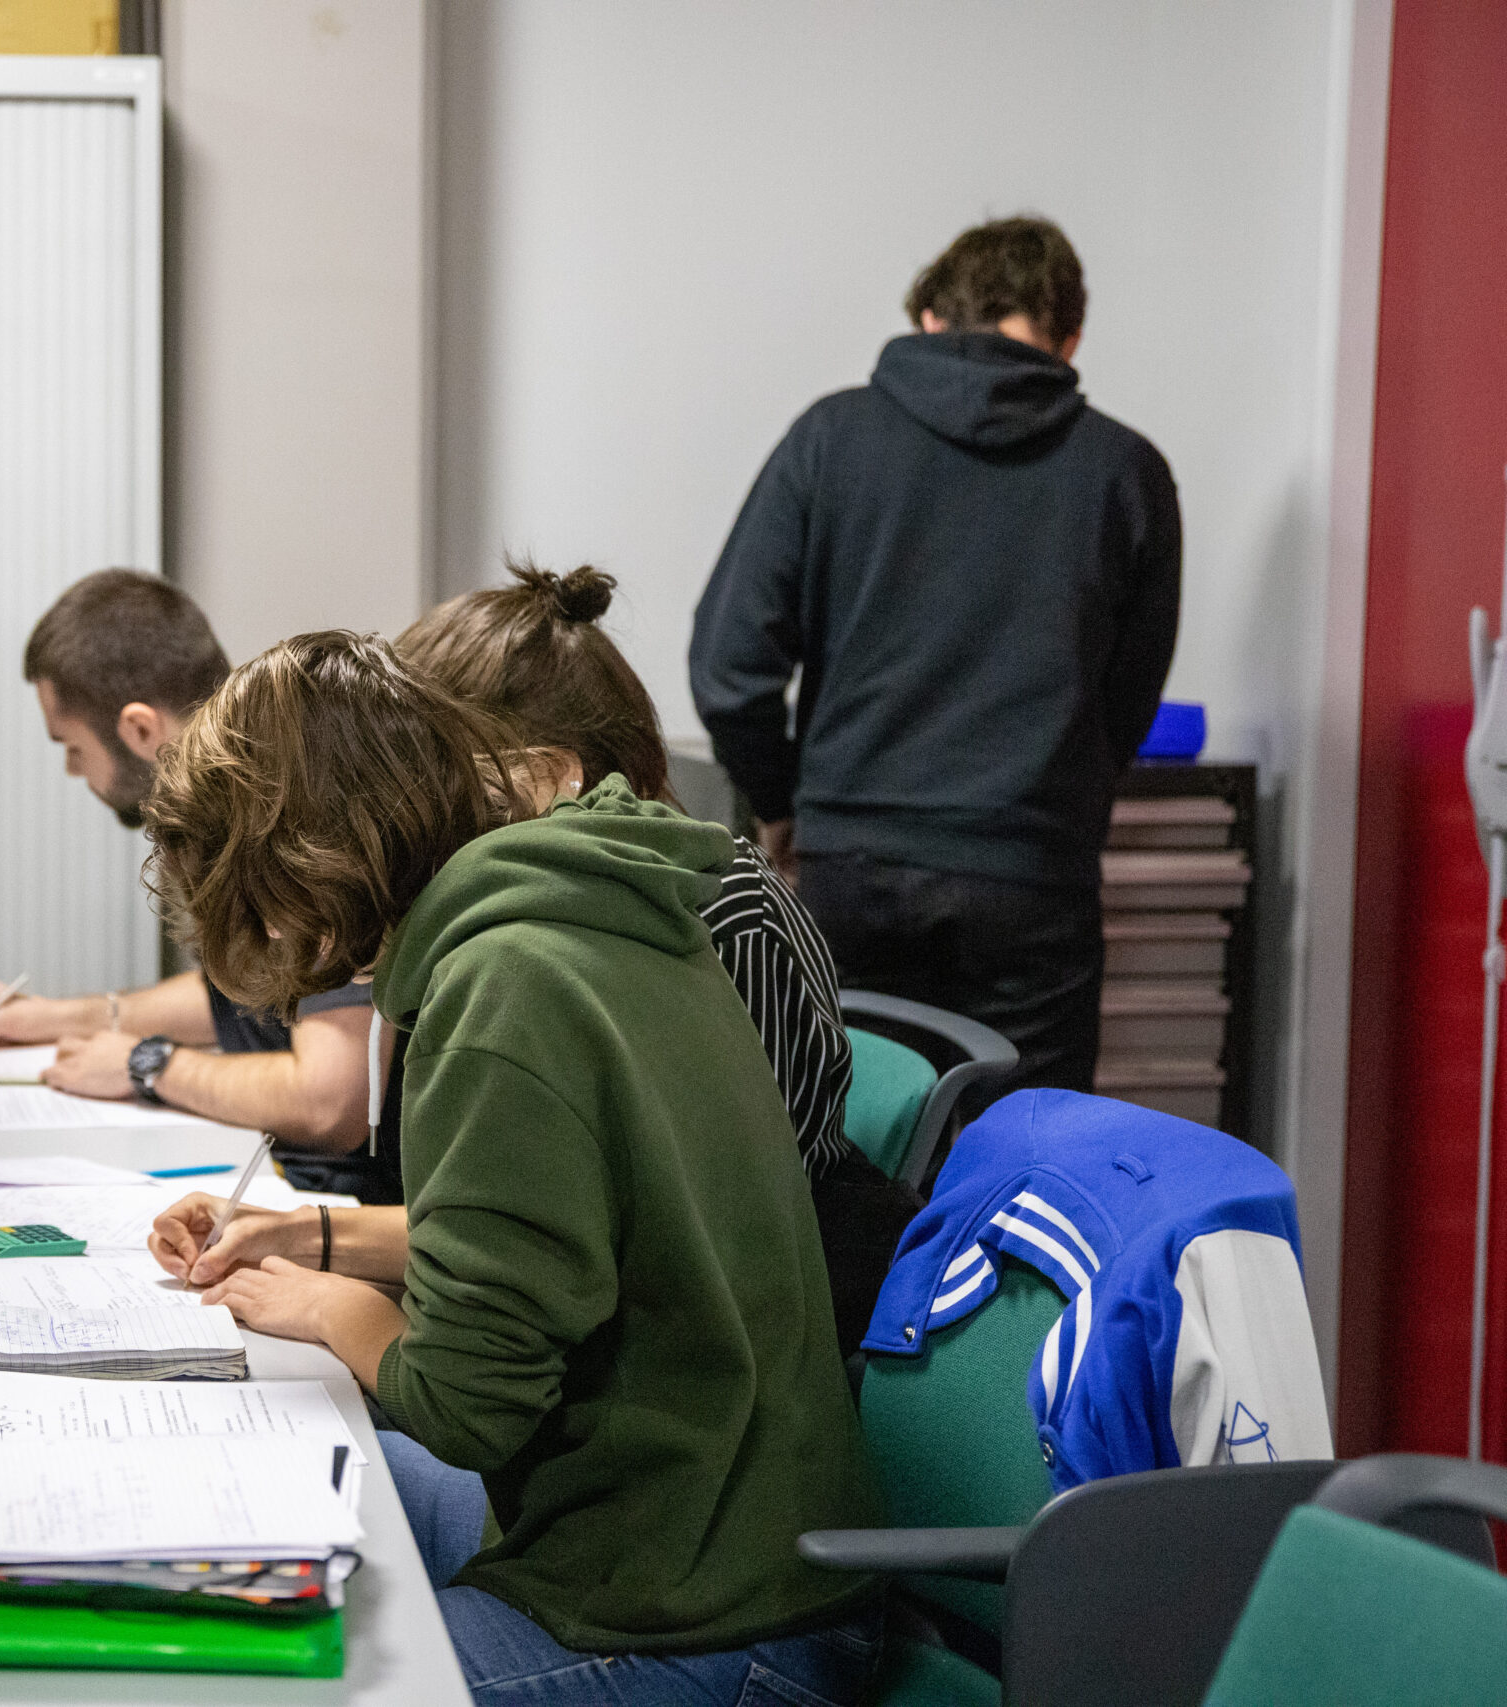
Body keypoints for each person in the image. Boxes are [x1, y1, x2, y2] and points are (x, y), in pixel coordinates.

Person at [143, 633, 882, 1706]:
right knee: (270, 1468)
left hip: (707, 1616)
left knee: (259, 1684)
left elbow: (466, 1407)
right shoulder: (586, 901)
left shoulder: (498, 993)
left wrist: (333, 1309)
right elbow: (573, 1235)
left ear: (305, 866)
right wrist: (317, 1250)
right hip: (708, 1527)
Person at [688, 214, 1181, 1096]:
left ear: (927, 320)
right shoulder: (1126, 471)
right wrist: (1054, 808)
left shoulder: (829, 439)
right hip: (1031, 875)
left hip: (854, 871)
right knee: (1025, 1149)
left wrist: (785, 802)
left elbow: (729, 669)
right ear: (1069, 340)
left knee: (843, 1134)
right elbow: (1127, 701)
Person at [396, 559, 916, 1355]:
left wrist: (337, 1283)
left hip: (722, 1353)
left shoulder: (722, 917)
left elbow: (702, 1237)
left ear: (543, 776)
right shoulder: (532, 923)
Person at [0, 569, 388, 1197]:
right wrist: (50, 1018)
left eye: (72, 747)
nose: (73, 771)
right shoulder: (248, 801)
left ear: (140, 729)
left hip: (341, 1202)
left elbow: (330, 1103)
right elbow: (250, 999)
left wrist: (148, 1064)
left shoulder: (296, 819)